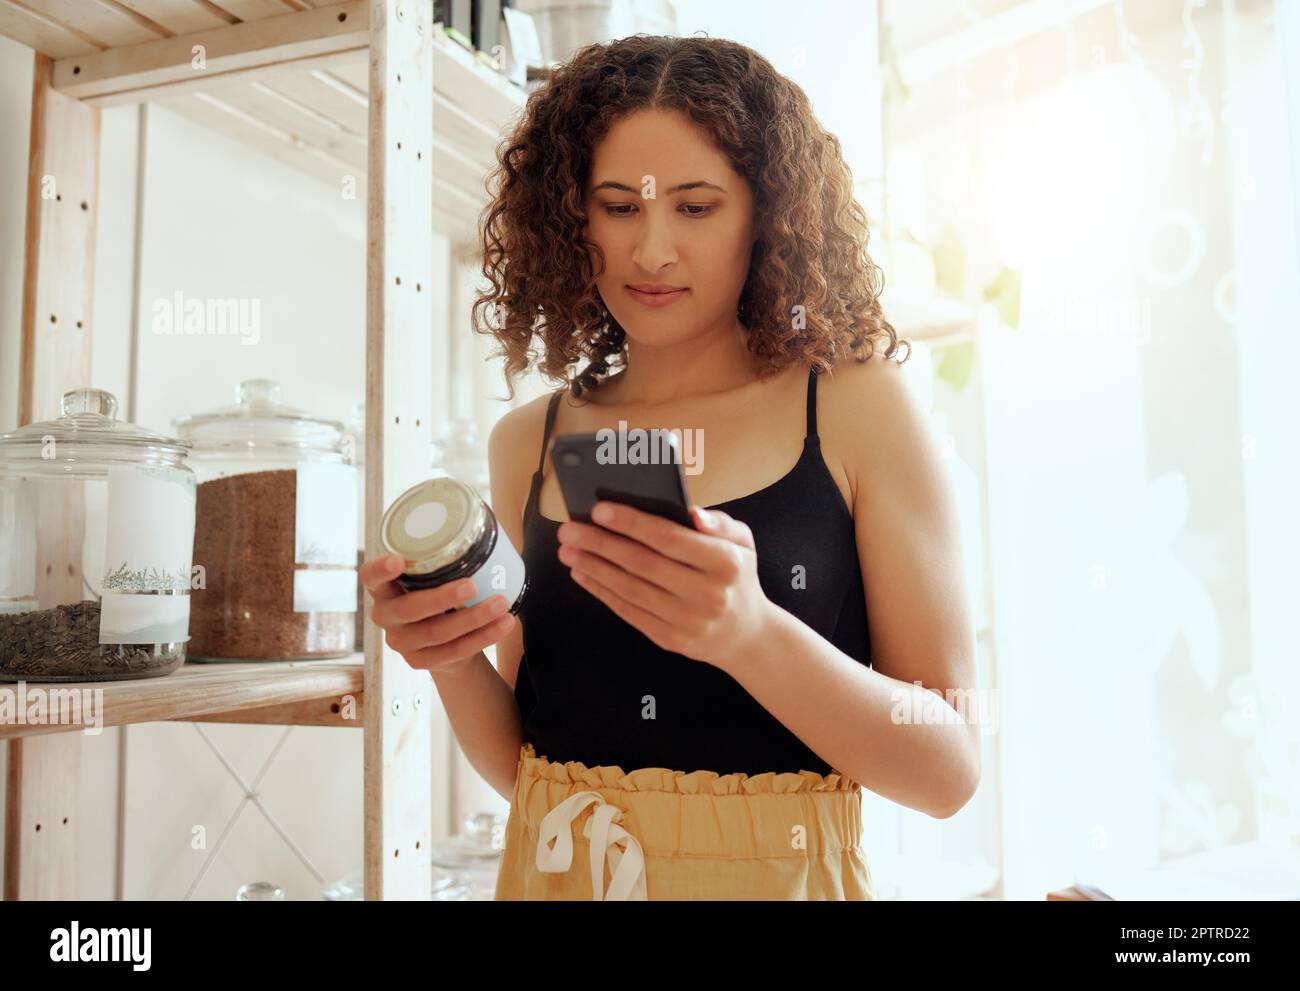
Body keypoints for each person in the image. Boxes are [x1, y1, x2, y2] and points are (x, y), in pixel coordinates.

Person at [360, 35, 980, 900]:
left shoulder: (854, 405)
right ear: (571, 219)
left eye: (695, 207)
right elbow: (530, 772)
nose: (651, 251)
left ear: (766, 214)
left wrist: (752, 636)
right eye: (619, 207)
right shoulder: (528, 442)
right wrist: (450, 656)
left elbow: (948, 768)